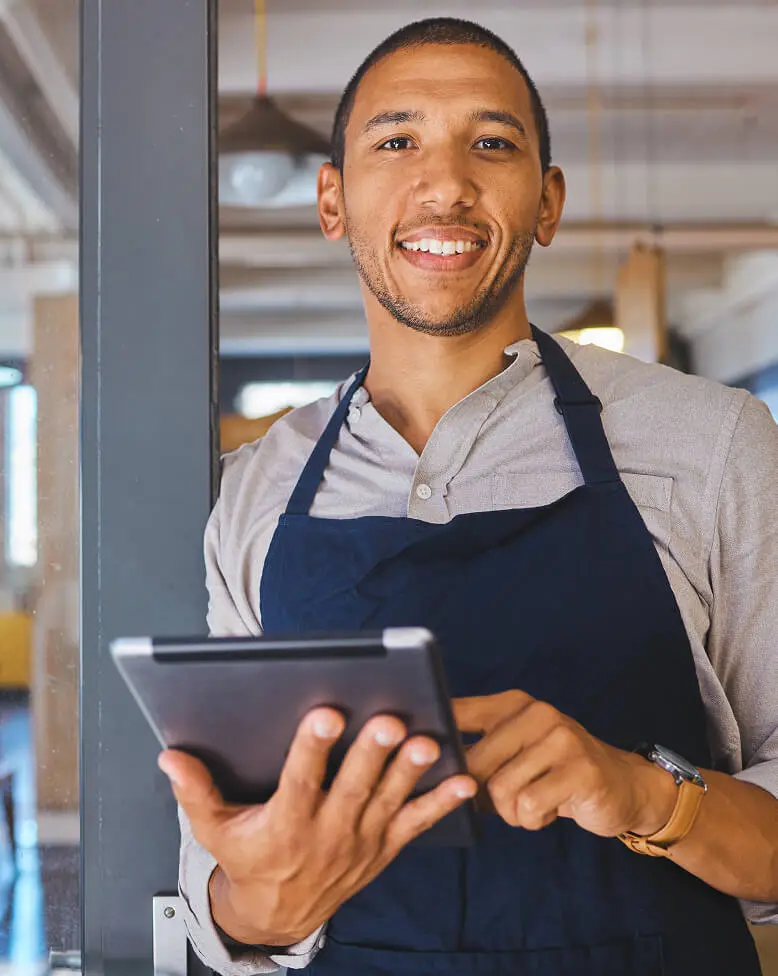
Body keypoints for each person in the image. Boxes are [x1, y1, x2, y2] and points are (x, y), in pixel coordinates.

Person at [158, 17, 778, 976]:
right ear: (332, 201)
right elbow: (228, 875)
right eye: (395, 142)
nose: (445, 183)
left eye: (491, 144)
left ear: (548, 202)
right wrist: (259, 907)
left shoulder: (713, 442)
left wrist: (644, 793)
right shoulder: (255, 490)